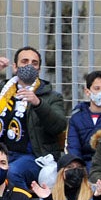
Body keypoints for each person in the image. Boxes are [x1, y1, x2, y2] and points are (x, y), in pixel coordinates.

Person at [0, 47, 66, 191]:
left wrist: (38, 103)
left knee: (12, 173)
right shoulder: (3, 91)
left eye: (34, 63)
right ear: (15, 67)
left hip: (34, 157)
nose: (30, 66)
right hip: (3, 153)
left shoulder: (51, 96)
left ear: (39, 69)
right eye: (24, 61)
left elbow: (59, 125)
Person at [66, 70, 101, 169]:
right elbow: (73, 148)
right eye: (97, 88)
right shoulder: (76, 118)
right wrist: (79, 169)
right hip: (84, 166)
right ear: (87, 92)